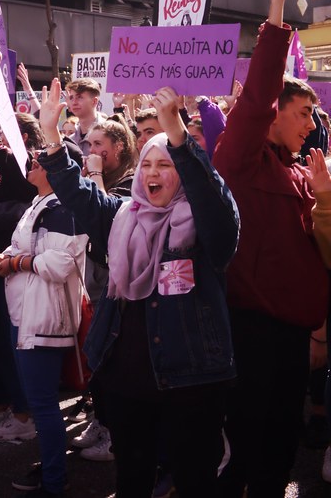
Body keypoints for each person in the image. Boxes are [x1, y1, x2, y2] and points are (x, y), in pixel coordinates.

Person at [38, 78, 239, 497]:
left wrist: (180, 139)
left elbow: (211, 199)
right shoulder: (124, 215)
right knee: (132, 477)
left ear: (182, 172)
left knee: (195, 479)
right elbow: (79, 196)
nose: (152, 173)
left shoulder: (205, 223)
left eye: (164, 165)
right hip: (126, 376)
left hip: (191, 379)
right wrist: (53, 137)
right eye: (147, 164)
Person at [215, 0, 331, 498]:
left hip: (294, 338)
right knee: (249, 448)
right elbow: (256, 93)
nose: (311, 126)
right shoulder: (240, 160)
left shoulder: (303, 174)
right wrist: (277, 4)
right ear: (274, 115)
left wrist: (316, 329)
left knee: (282, 446)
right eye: (302, 113)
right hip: (250, 332)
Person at [0, 140, 89, 497]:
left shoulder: (65, 208)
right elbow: (24, 247)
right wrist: (4, 257)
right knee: (40, 402)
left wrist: (14, 263)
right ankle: (50, 466)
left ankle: (55, 479)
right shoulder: (40, 204)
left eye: (41, 160)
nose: (32, 162)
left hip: (45, 319)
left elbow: (61, 263)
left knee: (44, 404)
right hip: (26, 313)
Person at [66, 79, 105, 157]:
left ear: (94, 101)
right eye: (71, 98)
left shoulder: (108, 133)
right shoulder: (70, 141)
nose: (74, 102)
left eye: (79, 97)